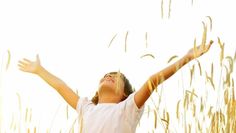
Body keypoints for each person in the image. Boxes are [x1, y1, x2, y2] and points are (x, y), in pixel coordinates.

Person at [18, 40, 213, 133]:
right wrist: (39, 70)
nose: (109, 76)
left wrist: (187, 58)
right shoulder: (87, 108)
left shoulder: (127, 108)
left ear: (124, 95)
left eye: (116, 77)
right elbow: (61, 87)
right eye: (106, 75)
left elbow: (153, 81)